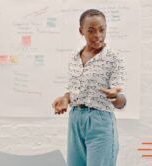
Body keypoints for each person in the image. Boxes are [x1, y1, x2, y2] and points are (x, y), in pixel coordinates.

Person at [52, 9, 127, 166]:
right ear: (81, 31)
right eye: (91, 31)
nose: (98, 35)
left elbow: (122, 101)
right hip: (76, 119)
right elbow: (73, 90)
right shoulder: (74, 57)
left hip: (100, 121)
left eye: (102, 29)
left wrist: (114, 96)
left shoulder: (113, 58)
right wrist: (66, 99)